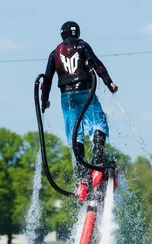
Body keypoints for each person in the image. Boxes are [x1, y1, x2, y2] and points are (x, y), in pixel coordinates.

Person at [41, 21, 118, 200]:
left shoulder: (54, 53)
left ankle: (83, 178)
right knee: (98, 121)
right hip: (85, 91)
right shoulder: (82, 45)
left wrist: (44, 100)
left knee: (74, 132)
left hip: (66, 96)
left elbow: (47, 79)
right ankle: (98, 164)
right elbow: (96, 64)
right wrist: (109, 82)